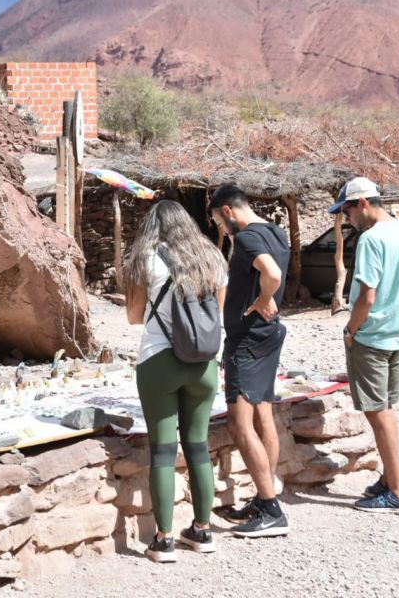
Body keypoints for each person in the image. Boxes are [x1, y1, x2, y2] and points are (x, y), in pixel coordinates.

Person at [124, 200, 228, 562]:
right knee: (198, 446)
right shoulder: (212, 257)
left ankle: (164, 539)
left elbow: (134, 316)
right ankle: (202, 530)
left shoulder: (146, 260)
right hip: (204, 364)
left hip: (159, 360)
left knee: (164, 451)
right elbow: (218, 312)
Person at [328, 177, 399, 514]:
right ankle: (390, 479)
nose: (347, 218)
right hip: (398, 333)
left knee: (377, 413)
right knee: (386, 411)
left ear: (363, 203)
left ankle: (397, 491)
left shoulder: (371, 239)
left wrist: (350, 330)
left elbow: (367, 296)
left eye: (348, 211)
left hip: (372, 337)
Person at [209, 184, 290, 538]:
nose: (223, 231)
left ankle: (271, 509)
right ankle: (263, 496)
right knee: (262, 412)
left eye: (219, 223)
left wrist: (261, 298)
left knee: (239, 425)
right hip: (267, 336)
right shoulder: (276, 232)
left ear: (227, 210)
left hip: (248, 340)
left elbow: (271, 274)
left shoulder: (246, 239)